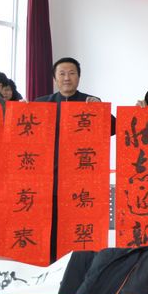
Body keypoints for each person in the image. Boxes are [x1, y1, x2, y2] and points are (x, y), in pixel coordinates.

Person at [36, 56, 113, 262]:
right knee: (50, 230)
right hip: (50, 181)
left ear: (79, 77)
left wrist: (101, 110)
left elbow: (113, 128)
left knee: (78, 229)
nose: (67, 78)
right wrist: (22, 109)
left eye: (72, 73)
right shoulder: (42, 104)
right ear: (54, 78)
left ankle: (78, 266)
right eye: (62, 74)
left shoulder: (90, 102)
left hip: (81, 182)